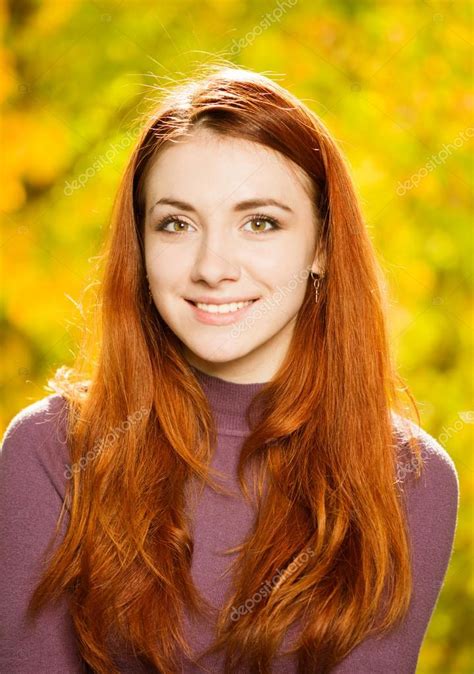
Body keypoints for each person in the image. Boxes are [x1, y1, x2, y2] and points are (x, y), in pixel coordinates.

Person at [0, 65, 459, 674]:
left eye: (260, 222)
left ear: (322, 245)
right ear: (141, 245)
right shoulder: (51, 450)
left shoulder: (409, 477)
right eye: (176, 223)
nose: (213, 266)